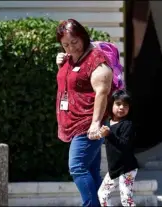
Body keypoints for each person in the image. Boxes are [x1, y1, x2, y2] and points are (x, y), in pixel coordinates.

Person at [55, 19, 114, 206]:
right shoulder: (69, 58)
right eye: (65, 44)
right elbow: (73, 84)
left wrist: (96, 123)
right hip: (74, 122)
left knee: (77, 167)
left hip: (88, 123)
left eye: (74, 42)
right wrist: (61, 64)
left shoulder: (96, 59)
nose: (71, 48)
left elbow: (102, 92)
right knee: (91, 170)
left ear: (83, 37)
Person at [97, 90, 139, 207]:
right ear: (112, 105)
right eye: (118, 104)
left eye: (125, 105)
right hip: (114, 168)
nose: (121, 107)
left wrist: (109, 134)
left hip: (127, 168)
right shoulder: (107, 124)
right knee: (102, 194)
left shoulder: (127, 125)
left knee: (126, 199)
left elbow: (124, 145)